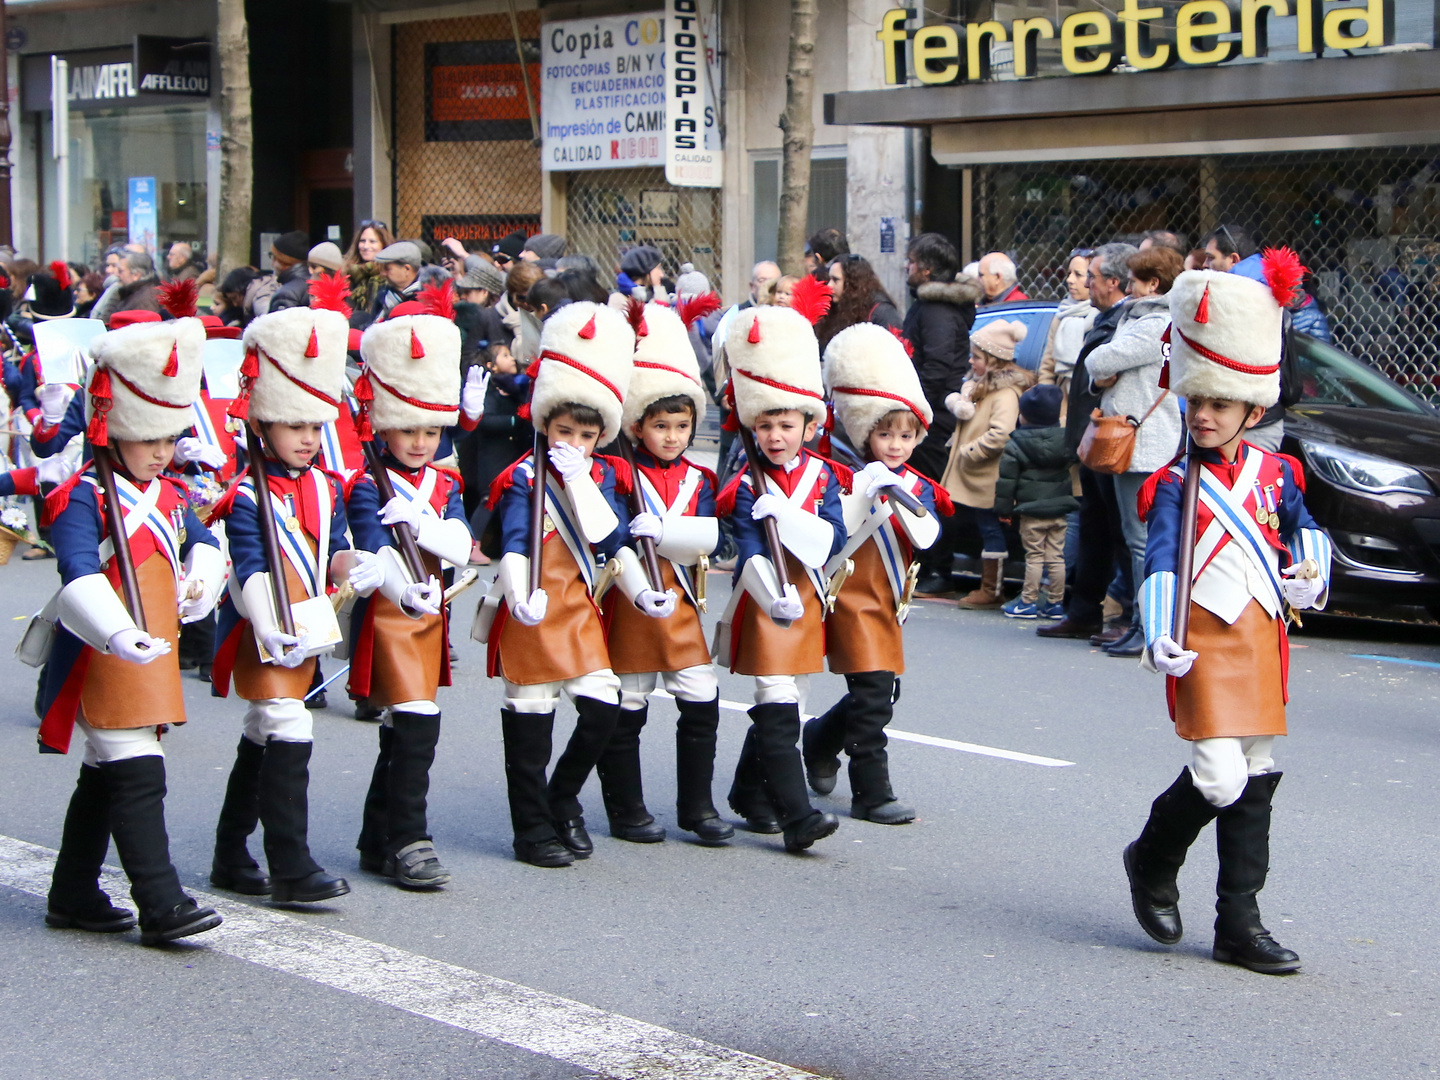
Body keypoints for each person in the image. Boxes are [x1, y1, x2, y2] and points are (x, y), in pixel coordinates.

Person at [1124, 249, 1331, 975]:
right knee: (1217, 778)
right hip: (1204, 643)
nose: (1205, 414)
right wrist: (1157, 635)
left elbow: (1305, 532)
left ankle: (1239, 924)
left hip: (1262, 636)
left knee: (1257, 773)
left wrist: (1311, 578)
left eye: (1219, 402)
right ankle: (1151, 858)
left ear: (1252, 404)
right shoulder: (1173, 483)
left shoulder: (1279, 472)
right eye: (1196, 400)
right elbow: (1159, 562)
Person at [35, 302, 227, 945]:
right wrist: (117, 632)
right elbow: (78, 574)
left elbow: (204, 541)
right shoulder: (82, 495)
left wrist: (201, 581)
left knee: (105, 769)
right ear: (113, 429)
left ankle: (73, 893)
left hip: (154, 651)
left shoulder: (171, 495)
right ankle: (160, 901)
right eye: (149, 437)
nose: (161, 451)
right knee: (137, 766)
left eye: (169, 438)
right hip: (101, 652)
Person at [206, 276, 355, 905]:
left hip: (309, 625)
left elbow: (338, 551)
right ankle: (290, 865)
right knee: (287, 726)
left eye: (315, 427)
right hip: (265, 627)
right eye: (292, 426)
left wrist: (358, 570)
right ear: (262, 425)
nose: (306, 439)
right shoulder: (243, 493)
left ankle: (230, 851)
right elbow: (249, 570)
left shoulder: (323, 486)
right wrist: (272, 630)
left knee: (262, 733)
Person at [478, 301, 639, 867]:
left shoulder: (603, 476)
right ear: (545, 424)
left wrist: (583, 484)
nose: (573, 442)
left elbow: (609, 538)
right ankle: (532, 831)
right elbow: (517, 542)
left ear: (601, 437)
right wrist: (521, 599)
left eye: (586, 434)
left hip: (577, 611)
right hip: (532, 606)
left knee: (603, 709)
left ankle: (562, 799)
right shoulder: (523, 477)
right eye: (563, 430)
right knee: (530, 725)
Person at [348, 281, 473, 889]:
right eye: (408, 430)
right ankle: (408, 838)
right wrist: (404, 587)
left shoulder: (443, 486)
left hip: (431, 612)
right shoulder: (364, 482)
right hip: (391, 614)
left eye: (431, 430)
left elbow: (461, 544)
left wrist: (423, 521)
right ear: (384, 427)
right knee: (418, 721)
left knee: (404, 726)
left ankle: (377, 837)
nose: (422, 442)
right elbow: (371, 551)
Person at [714, 280, 846, 851]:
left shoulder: (824, 477)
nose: (774, 435)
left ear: (808, 427)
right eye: (764, 425)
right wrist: (772, 592)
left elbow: (835, 537)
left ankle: (748, 791)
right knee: (775, 700)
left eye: (786, 425)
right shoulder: (746, 483)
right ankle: (798, 816)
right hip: (767, 596)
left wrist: (788, 518)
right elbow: (747, 550)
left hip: (810, 592)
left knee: (791, 702)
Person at [594, 300, 732, 845]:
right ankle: (625, 808)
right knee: (627, 704)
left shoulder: (699, 476)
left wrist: (674, 532)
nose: (672, 436)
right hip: (632, 602)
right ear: (637, 425)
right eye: (660, 425)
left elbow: (710, 537)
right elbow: (607, 534)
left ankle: (697, 807)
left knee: (701, 697)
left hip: (680, 602)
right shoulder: (618, 471)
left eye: (681, 426)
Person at [804, 323, 946, 824]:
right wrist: (865, 489)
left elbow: (928, 537)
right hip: (850, 592)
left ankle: (820, 738)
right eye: (884, 434)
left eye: (906, 436)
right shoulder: (840, 474)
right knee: (872, 695)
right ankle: (871, 790)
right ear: (865, 432)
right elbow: (835, 531)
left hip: (888, 598)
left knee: (881, 690)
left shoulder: (918, 482)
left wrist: (899, 493)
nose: (896, 445)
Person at [1085, 246, 1185, 658]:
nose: (1127, 287)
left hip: (1143, 444)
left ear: (1153, 284)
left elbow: (1100, 357)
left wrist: (1103, 368)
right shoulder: (1142, 318)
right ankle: (1140, 622)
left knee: (1141, 539)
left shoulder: (1154, 322)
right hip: (1137, 439)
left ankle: (1150, 625)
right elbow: (1104, 369)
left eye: (1134, 281)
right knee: (1135, 537)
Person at [1039, 242, 1138, 641]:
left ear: (1113, 282)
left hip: (1113, 439)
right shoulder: (1103, 319)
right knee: (1096, 529)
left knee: (1121, 532)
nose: (1084, 283)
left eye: (1092, 277)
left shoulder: (1126, 323)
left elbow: (1107, 375)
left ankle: (1129, 616)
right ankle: (1083, 612)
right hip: (1091, 436)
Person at [901, 233, 983, 596]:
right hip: (931, 410)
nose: (908, 267)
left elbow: (935, 364)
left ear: (928, 268)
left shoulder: (936, 309)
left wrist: (917, 409)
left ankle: (938, 569)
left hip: (933, 415)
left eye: (912, 261)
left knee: (929, 491)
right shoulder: (931, 305)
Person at [941, 320, 1035, 609]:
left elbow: (1001, 434)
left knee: (991, 529)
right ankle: (988, 586)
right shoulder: (983, 388)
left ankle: (991, 589)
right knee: (984, 527)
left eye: (977, 357)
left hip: (987, 476)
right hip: (976, 474)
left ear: (993, 360)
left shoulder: (1004, 394)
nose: (971, 361)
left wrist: (969, 451)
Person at [995, 384, 1077, 619]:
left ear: (1024, 415)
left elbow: (1006, 482)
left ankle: (1028, 602)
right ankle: (1055, 603)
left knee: (1034, 557)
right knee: (1056, 557)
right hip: (1060, 509)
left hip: (1031, 511)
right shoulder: (1066, 440)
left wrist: (1004, 510)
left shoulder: (1016, 444)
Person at [1037, 249, 1095, 411]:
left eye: (1078, 274)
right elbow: (1047, 367)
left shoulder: (1105, 316)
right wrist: (1047, 403)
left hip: (1092, 406)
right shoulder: (1062, 314)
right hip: (1063, 405)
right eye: (1069, 273)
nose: (1070, 280)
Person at [815, 255, 902, 352]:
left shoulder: (882, 312)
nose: (829, 286)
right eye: (829, 280)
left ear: (853, 283)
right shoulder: (834, 309)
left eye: (835, 280)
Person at [344, 219, 394, 317]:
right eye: (362, 241)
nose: (366, 246)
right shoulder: (348, 273)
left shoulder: (390, 276)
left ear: (384, 244)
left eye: (372, 241)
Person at [263, 232, 314, 314]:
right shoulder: (315, 284)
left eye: (273, 256)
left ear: (283, 261)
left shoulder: (285, 294)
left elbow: (278, 326)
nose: (272, 264)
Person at [371, 241, 424, 319]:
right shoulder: (383, 295)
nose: (383, 274)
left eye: (387, 269)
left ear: (407, 269)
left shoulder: (428, 299)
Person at [111, 250, 163, 315]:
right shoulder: (133, 293)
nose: (116, 274)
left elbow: (145, 323)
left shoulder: (146, 299)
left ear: (136, 275)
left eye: (120, 271)